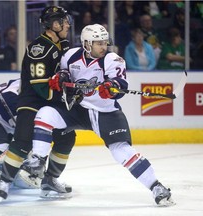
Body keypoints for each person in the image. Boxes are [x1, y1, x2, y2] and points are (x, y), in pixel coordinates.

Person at [23, 24, 175, 206]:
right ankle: (38, 161)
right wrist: (60, 78)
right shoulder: (71, 55)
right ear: (87, 44)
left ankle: (156, 186)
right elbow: (63, 73)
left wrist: (112, 88)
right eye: (98, 43)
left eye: (105, 42)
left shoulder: (112, 59)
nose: (104, 46)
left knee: (121, 151)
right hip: (77, 109)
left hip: (105, 112)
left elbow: (119, 83)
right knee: (45, 114)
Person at [0, 6, 75, 203]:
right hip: (33, 102)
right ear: (54, 24)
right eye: (63, 21)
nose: (67, 24)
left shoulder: (64, 45)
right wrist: (63, 95)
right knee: (22, 141)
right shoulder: (38, 48)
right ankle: (4, 182)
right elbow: (40, 86)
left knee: (66, 138)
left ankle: (49, 180)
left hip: (53, 102)